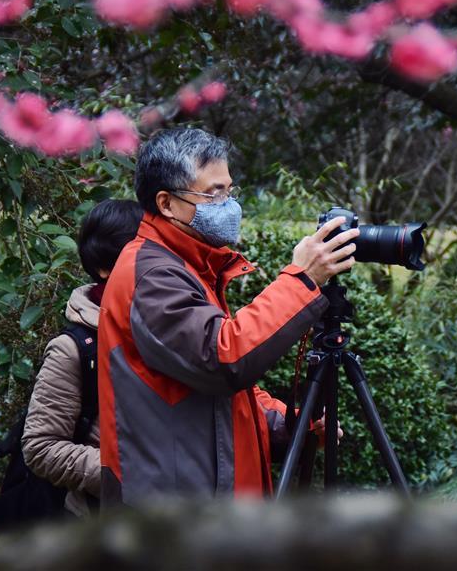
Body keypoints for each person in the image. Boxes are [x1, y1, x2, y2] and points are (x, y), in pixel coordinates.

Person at [97, 128, 358, 506]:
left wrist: (290, 423)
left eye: (230, 191)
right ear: (166, 203)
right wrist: (302, 280)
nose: (229, 205)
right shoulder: (152, 277)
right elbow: (223, 358)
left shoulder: (190, 265)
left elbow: (219, 401)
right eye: (214, 193)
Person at [21, 198, 143, 517]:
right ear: (103, 267)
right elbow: (41, 447)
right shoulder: (74, 348)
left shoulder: (173, 327)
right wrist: (127, 476)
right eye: (135, 256)